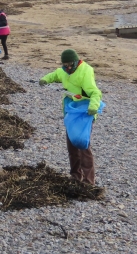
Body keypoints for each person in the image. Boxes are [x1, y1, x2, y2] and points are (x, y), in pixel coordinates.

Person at [39, 49, 102, 185]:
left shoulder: (85, 71)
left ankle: (88, 181)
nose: (67, 68)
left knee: (83, 144)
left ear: (76, 62)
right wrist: (45, 79)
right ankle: (75, 176)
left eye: (70, 65)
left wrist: (93, 107)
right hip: (71, 112)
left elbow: (95, 93)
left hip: (85, 112)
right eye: (65, 65)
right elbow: (55, 74)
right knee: (72, 146)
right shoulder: (63, 71)